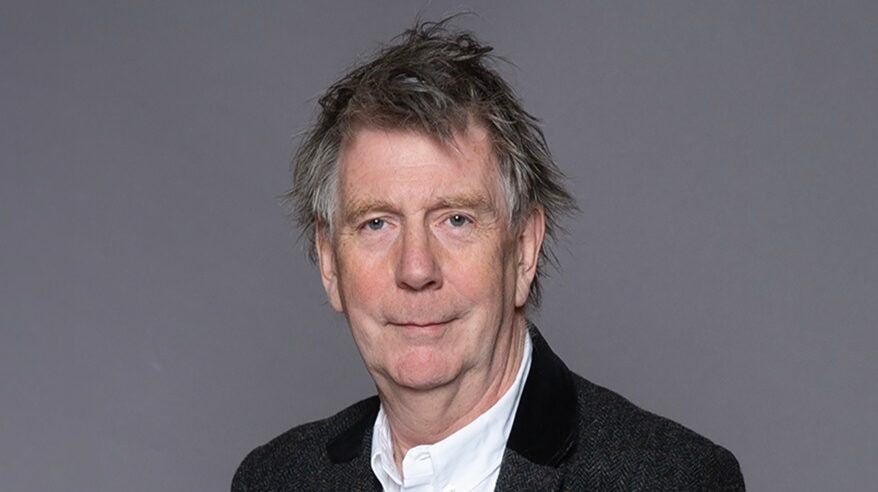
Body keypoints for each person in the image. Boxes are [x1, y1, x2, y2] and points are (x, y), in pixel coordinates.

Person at [232, 19, 744, 491]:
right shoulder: (274, 479)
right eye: (377, 223)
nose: (416, 269)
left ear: (523, 249)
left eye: (456, 220)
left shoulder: (674, 479)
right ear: (328, 263)